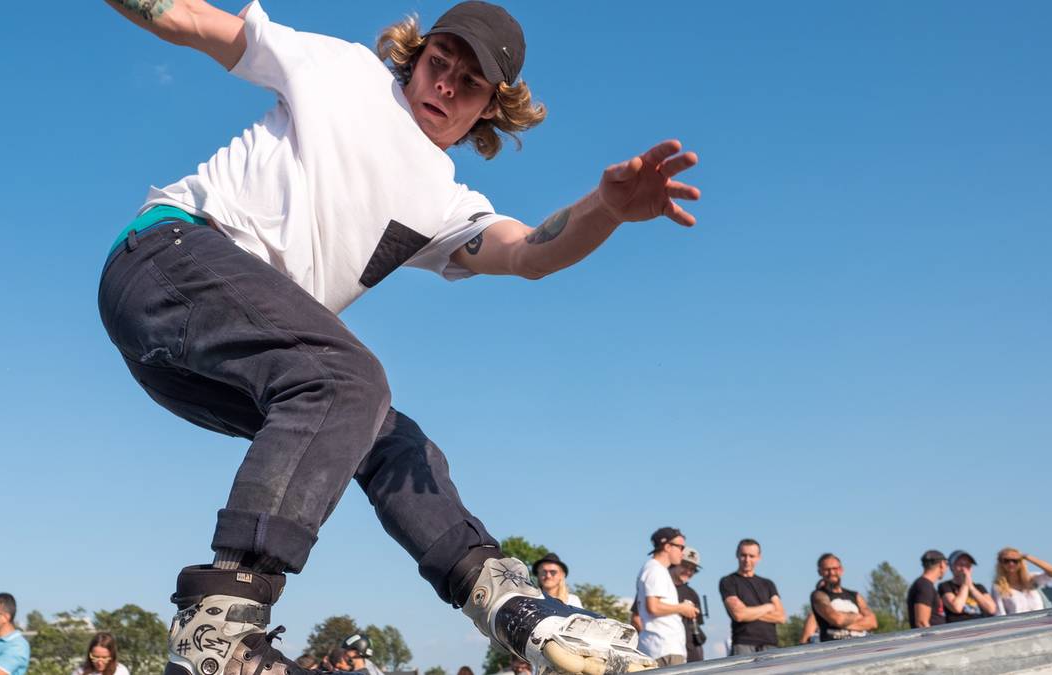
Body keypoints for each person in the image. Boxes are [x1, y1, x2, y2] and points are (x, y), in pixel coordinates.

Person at [100, 1, 698, 675]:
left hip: (194, 361)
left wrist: (605, 208)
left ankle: (504, 596)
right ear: (416, 58)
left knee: (384, 435)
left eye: (467, 83)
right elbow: (193, 21)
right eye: (439, 63)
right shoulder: (344, 72)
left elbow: (529, 251)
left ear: (490, 111)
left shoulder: (446, 203)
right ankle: (221, 620)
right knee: (349, 377)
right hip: (167, 258)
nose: (444, 85)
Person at [634, 528, 698, 666]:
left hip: (662, 648)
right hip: (663, 648)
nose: (683, 552)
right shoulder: (655, 570)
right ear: (668, 546)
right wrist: (683, 608)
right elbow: (654, 607)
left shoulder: (655, 569)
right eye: (681, 547)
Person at [719, 539, 784, 655]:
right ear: (737, 555)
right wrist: (768, 607)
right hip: (743, 644)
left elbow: (781, 617)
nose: (747, 560)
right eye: (743, 555)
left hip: (771, 645)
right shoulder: (728, 581)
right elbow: (739, 615)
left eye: (751, 556)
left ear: (759, 557)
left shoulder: (768, 584)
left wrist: (748, 612)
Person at [808, 553, 877, 642]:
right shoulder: (818, 595)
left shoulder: (855, 595)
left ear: (841, 570)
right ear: (820, 572)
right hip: (834, 648)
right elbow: (837, 619)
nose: (831, 573)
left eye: (835, 568)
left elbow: (873, 623)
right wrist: (858, 616)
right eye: (827, 569)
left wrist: (841, 623)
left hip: (861, 646)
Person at [993, 548, 1052, 615]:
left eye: (1015, 560)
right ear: (1000, 563)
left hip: (1042, 623)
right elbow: (1000, 613)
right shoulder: (998, 587)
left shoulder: (1032, 579)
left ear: (1021, 562)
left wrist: (1026, 557)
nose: (1011, 563)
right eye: (1006, 561)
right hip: (1019, 625)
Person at [938, 549, 997, 622]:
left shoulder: (979, 587)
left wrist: (971, 588)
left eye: (968, 565)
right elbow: (957, 608)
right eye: (960, 565)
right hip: (959, 627)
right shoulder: (945, 586)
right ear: (951, 567)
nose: (964, 569)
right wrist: (965, 585)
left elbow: (992, 609)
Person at [671, 547, 706, 663]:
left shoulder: (692, 594)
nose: (688, 571)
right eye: (685, 566)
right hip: (667, 650)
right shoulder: (661, 586)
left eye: (693, 569)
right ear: (675, 563)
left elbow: (697, 626)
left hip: (691, 652)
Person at [906, 550, 947, 629]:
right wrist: (934, 641)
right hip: (932, 640)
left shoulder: (925, 585)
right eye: (946, 564)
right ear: (942, 564)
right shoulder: (924, 585)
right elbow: (922, 622)